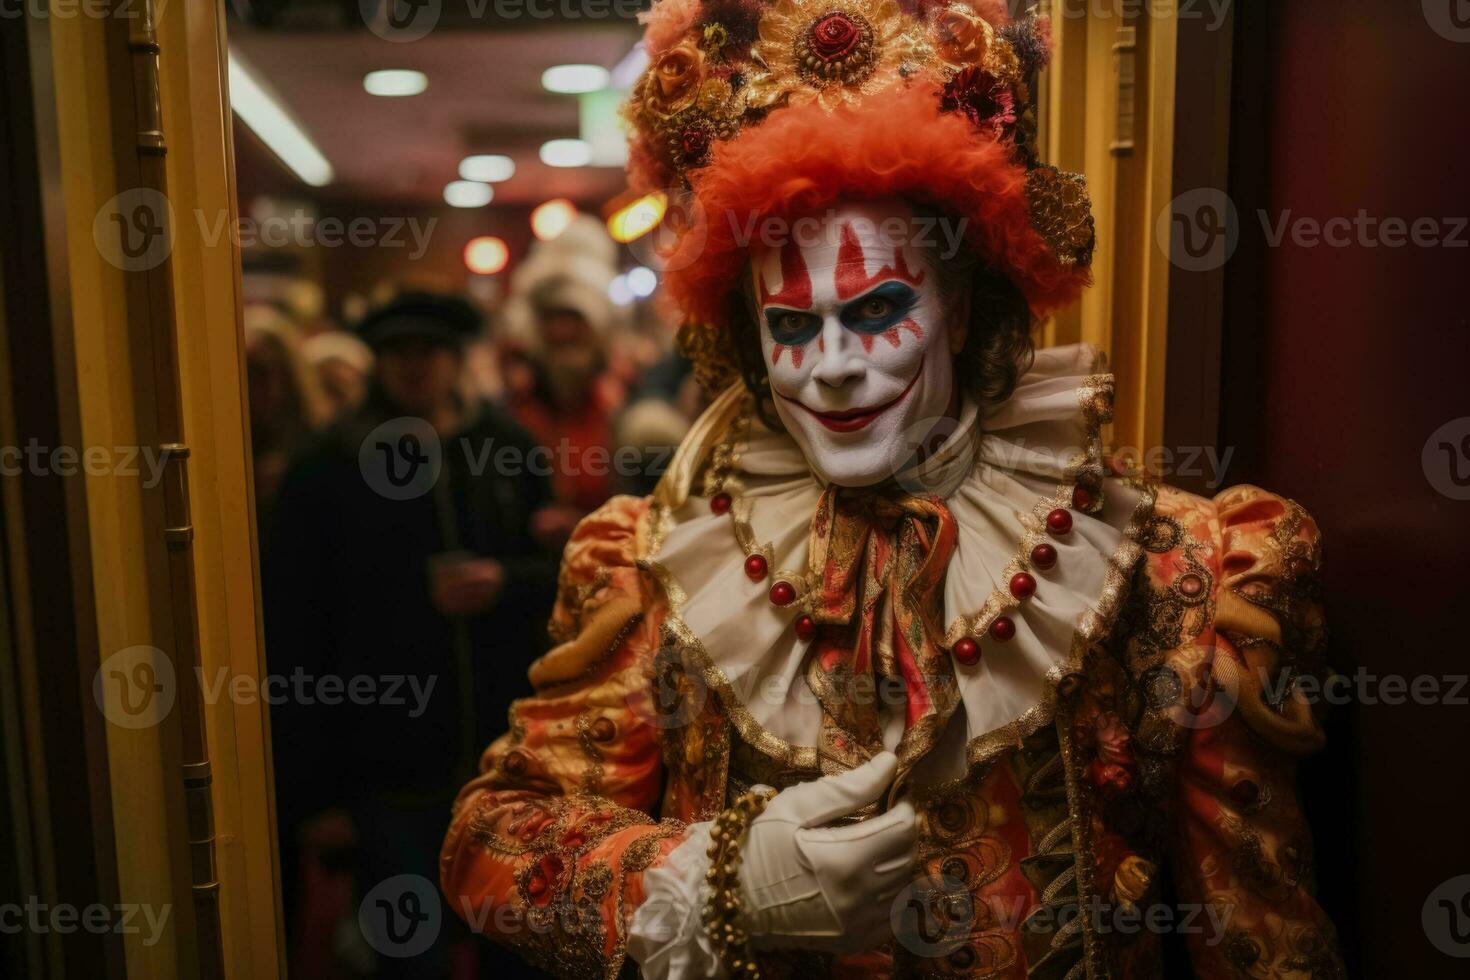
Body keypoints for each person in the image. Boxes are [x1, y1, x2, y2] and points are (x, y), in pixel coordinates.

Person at [440, 3, 1344, 978]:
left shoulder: (1172, 567)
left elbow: (1264, 948)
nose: (829, 366)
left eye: (877, 308)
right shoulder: (658, 562)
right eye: (791, 326)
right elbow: (493, 840)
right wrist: (716, 883)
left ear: (957, 304)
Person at [266, 291, 558, 977]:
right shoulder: (330, 467)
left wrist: (506, 581)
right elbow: (294, 629)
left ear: (456, 359)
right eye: (399, 352)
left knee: (514, 951)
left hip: (504, 764)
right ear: (378, 362)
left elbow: (557, 582)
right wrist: (315, 796)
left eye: (429, 351)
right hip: (385, 772)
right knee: (411, 959)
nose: (415, 366)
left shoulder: (508, 449)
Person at [500, 215, 627, 533]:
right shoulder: (509, 412)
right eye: (552, 318)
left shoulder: (623, 407)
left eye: (574, 317)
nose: (562, 331)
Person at [244, 306, 331, 533]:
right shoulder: (228, 446)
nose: (271, 387)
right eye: (254, 373)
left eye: (279, 371)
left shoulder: (321, 441)